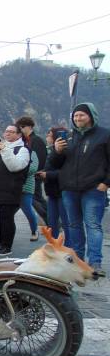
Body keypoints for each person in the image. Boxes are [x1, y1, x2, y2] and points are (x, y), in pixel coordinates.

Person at [50, 103, 109, 277]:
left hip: (93, 188)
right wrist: (57, 151)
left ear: (91, 116)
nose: (77, 118)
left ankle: (95, 262)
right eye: (75, 116)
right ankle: (77, 260)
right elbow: (55, 164)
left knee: (93, 225)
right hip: (70, 189)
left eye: (82, 115)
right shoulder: (69, 137)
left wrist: (106, 183)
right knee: (73, 225)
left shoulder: (105, 135)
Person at [0, 124, 30, 256]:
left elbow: (14, 166)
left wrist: (5, 150)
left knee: (6, 219)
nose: (7, 133)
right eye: (6, 131)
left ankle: (6, 246)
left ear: (19, 135)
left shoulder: (23, 150)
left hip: (10, 192)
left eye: (11, 132)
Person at [37, 126, 70, 247]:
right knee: (52, 222)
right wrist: (43, 173)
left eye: (49, 135)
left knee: (66, 222)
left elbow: (66, 172)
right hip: (51, 191)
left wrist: (48, 174)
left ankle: (68, 246)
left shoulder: (65, 151)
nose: (47, 137)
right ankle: (53, 245)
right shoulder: (51, 150)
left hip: (62, 191)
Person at [17, 116, 48, 225]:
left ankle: (53, 223)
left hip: (35, 176)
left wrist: (36, 173)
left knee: (37, 201)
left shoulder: (36, 140)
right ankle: (52, 223)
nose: (21, 129)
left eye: (23, 127)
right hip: (31, 176)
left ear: (30, 126)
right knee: (36, 201)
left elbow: (40, 158)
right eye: (20, 127)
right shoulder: (28, 140)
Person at [20, 149, 39, 241]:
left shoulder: (32, 152)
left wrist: (17, 168)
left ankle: (34, 230)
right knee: (8, 213)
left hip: (26, 187)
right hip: (11, 187)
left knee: (28, 210)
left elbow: (33, 168)